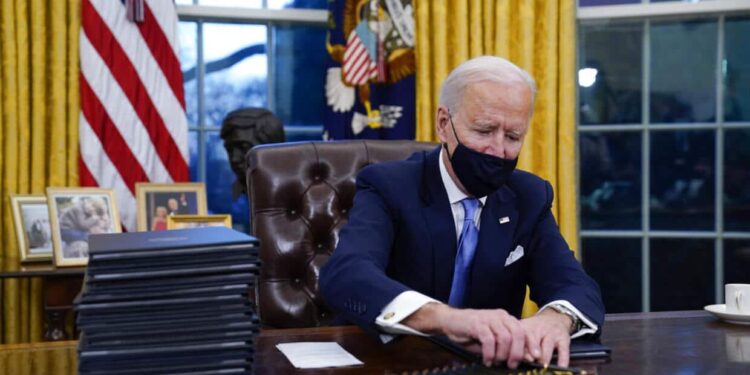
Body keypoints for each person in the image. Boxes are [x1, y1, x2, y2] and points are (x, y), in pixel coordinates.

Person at [319, 56, 605, 369]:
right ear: (444, 124)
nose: (497, 150)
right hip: (392, 363)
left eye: (512, 137)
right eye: (484, 131)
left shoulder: (528, 196)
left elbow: (575, 284)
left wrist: (556, 318)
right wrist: (446, 319)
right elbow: (347, 275)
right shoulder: (389, 185)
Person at [220, 108, 286, 199]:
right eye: (229, 150)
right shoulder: (225, 196)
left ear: (272, 149)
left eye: (244, 148)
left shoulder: (294, 193)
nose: (234, 159)